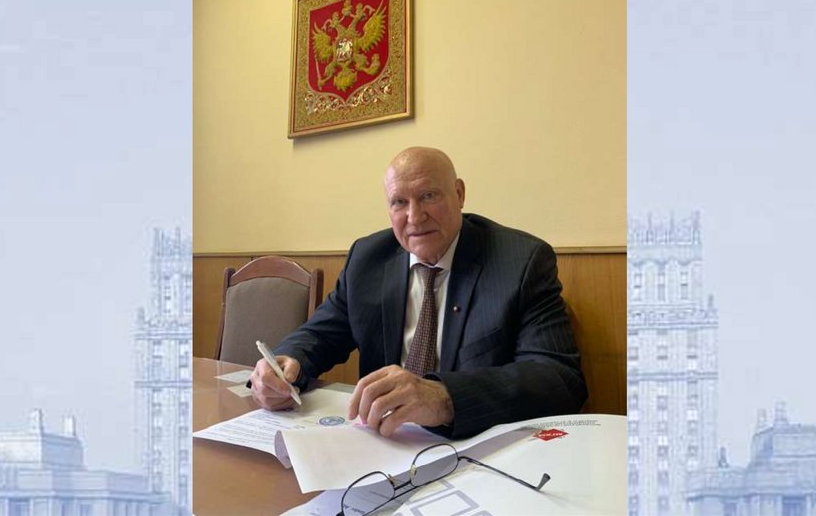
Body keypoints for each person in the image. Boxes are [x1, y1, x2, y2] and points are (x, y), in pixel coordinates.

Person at [250, 147, 586, 439]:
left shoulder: (520, 261)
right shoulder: (367, 260)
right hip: (382, 444)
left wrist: (444, 397)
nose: (415, 216)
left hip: (476, 448)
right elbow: (321, 334)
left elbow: (559, 379)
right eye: (399, 202)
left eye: (428, 196)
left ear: (459, 194)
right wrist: (288, 363)